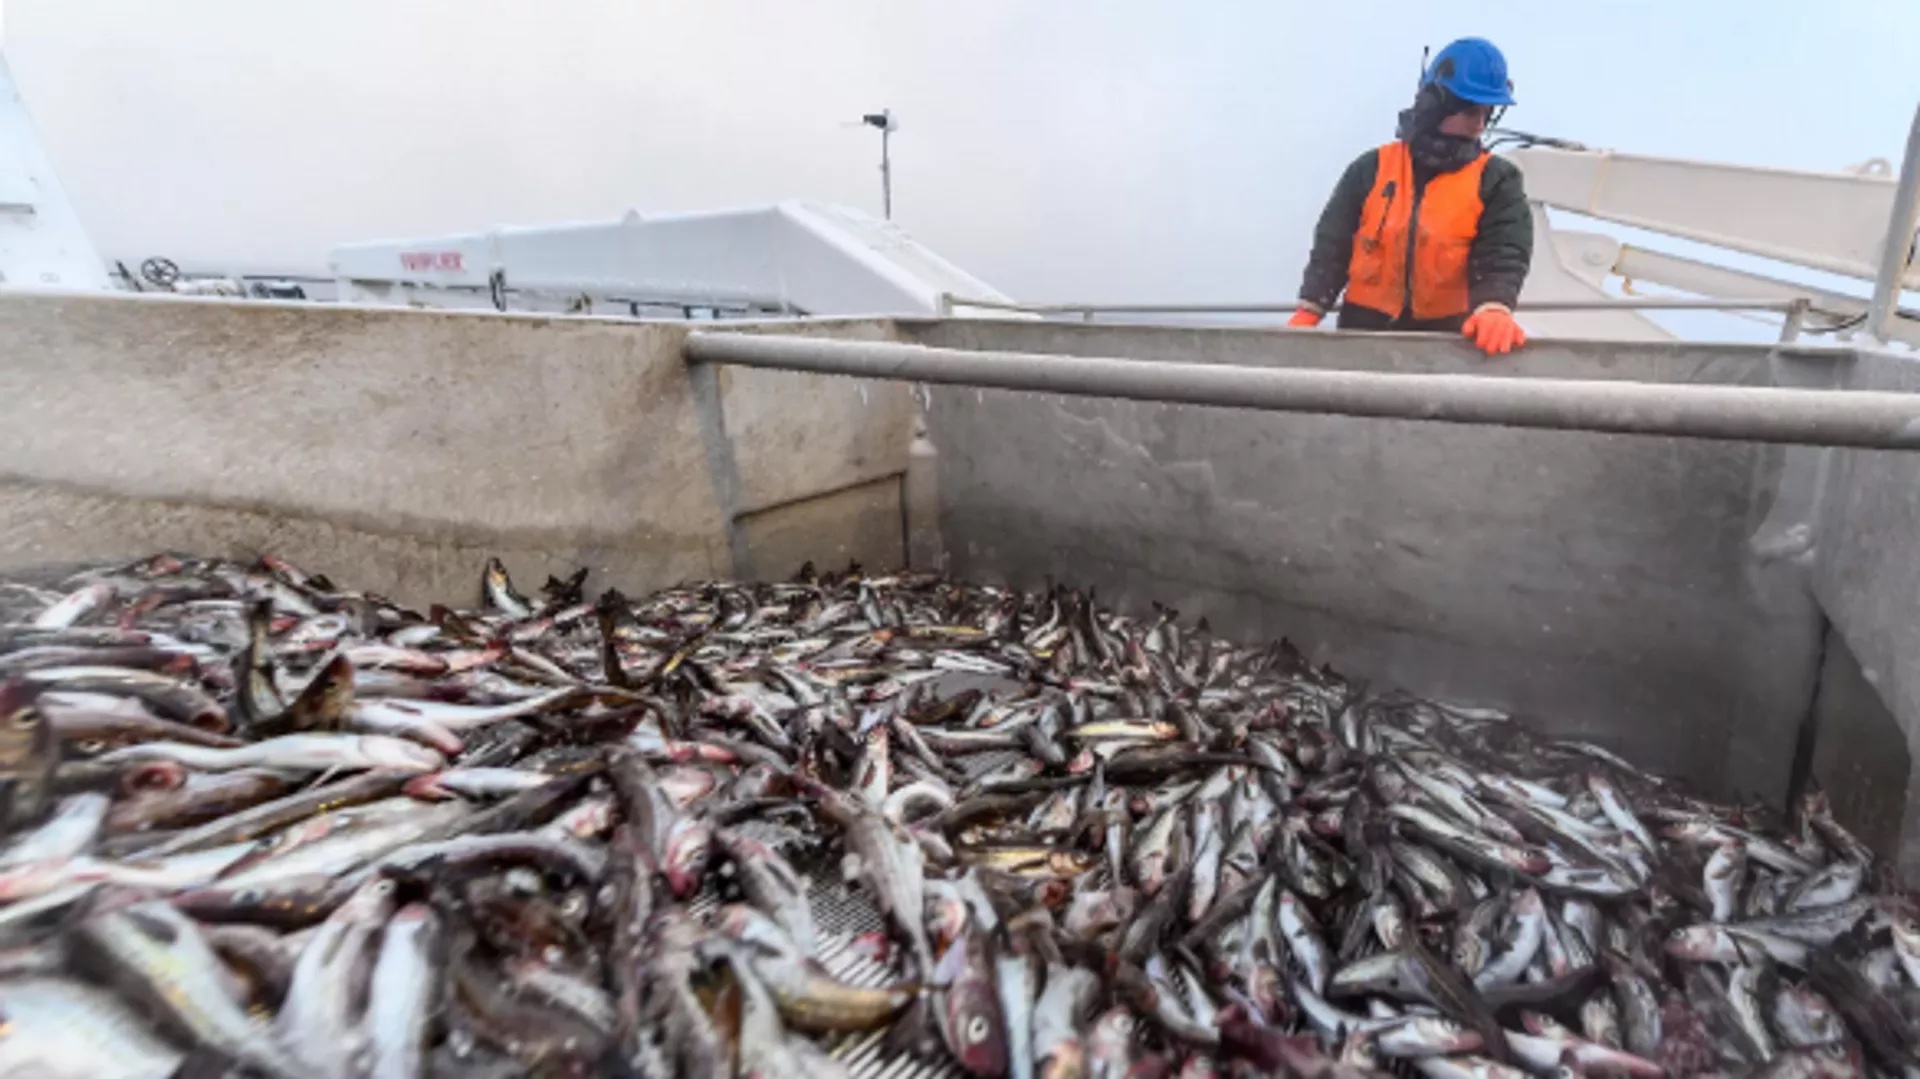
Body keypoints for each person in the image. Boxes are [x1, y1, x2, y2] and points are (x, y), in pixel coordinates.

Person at [1287, 38, 1533, 355]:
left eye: (1488, 113)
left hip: (1448, 342)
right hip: (1363, 335)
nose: (1479, 124)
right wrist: (1311, 306)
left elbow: (1504, 251)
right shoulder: (1371, 168)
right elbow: (1333, 243)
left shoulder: (1498, 180)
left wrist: (1495, 305)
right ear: (1436, 103)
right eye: (1471, 110)